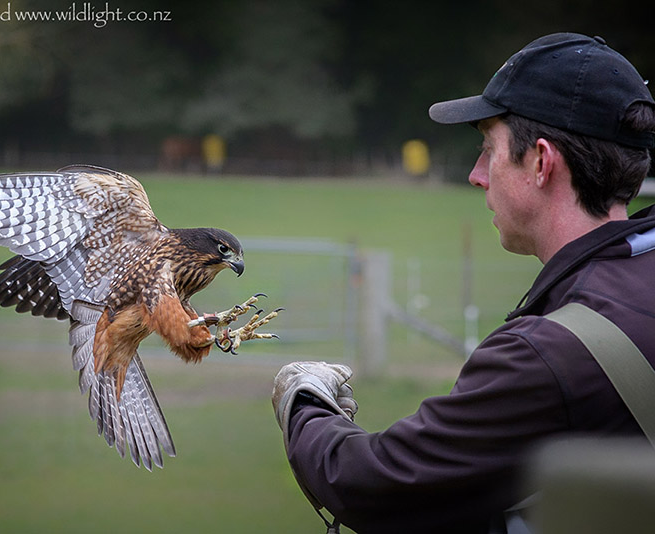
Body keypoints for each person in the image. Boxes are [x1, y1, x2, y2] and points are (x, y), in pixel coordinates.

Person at [271, 32, 655, 533]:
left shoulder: (550, 355)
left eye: (488, 150)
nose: (477, 175)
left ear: (541, 162)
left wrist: (303, 402)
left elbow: (376, 485)